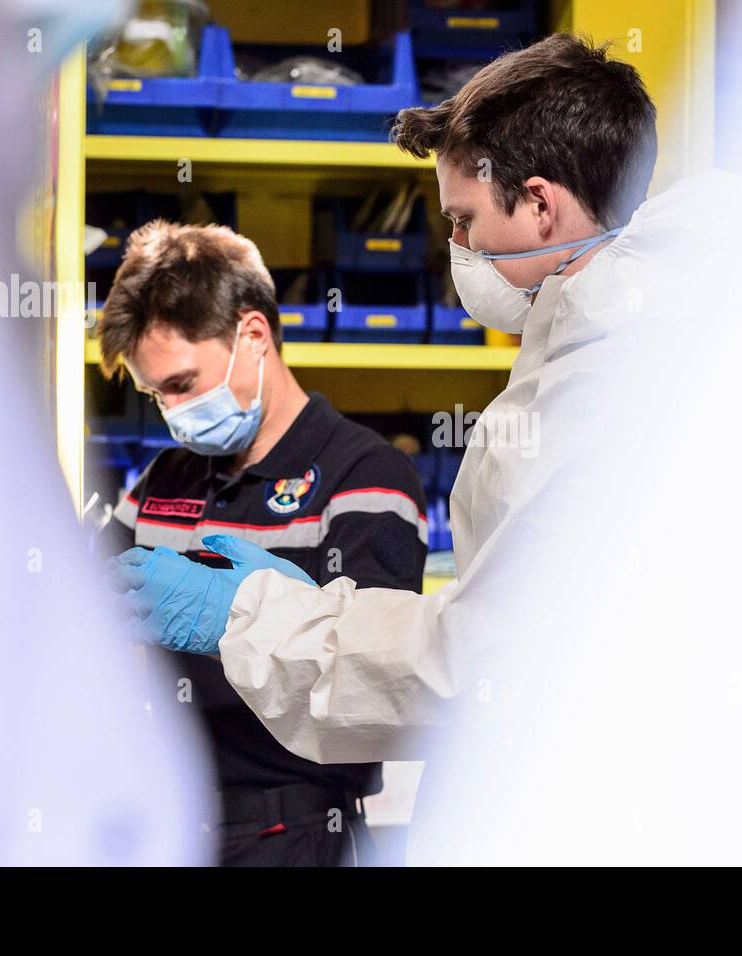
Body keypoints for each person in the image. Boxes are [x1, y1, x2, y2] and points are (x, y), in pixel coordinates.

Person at [109, 35, 667, 765]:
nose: (456, 244)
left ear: (538, 205)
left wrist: (250, 616)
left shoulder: (614, 383)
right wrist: (301, 611)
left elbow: (478, 667)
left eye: (463, 219)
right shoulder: (609, 338)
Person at [97, 221, 428, 866]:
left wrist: (248, 615)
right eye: (153, 394)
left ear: (252, 336)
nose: (170, 411)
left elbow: (374, 689)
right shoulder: (168, 476)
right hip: (172, 818)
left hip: (293, 830)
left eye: (182, 384)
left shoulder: (365, 475)